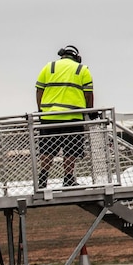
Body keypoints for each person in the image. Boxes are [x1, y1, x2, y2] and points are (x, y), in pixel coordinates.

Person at [35, 45, 94, 187]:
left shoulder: (49, 67)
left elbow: (39, 91)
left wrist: (41, 111)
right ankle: (68, 179)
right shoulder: (82, 69)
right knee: (70, 150)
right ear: (77, 57)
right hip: (72, 117)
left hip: (49, 118)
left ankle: (42, 180)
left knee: (47, 150)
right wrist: (90, 111)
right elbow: (88, 94)